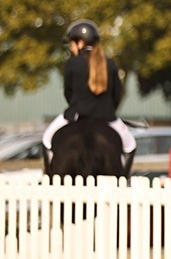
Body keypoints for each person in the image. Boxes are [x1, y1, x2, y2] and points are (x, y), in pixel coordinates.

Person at [41, 19, 137, 174]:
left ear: (80, 43)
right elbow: (116, 95)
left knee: (46, 140)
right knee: (130, 145)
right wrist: (108, 111)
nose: (71, 48)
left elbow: (68, 93)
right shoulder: (110, 63)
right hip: (107, 117)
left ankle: (49, 178)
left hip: (76, 115)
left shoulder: (72, 63)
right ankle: (125, 180)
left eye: (72, 44)